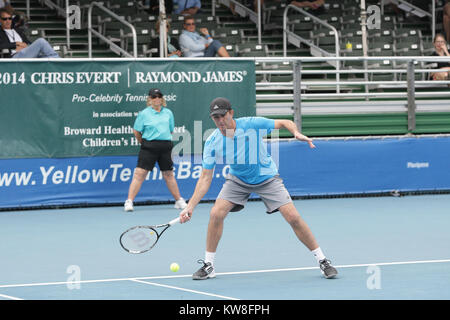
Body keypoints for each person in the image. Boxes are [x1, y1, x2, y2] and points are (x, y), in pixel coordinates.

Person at [179, 97, 338, 280]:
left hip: (266, 177)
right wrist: (190, 206)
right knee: (216, 213)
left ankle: (323, 261)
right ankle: (209, 265)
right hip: (237, 180)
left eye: (223, 115)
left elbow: (285, 122)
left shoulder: (251, 124)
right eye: (216, 118)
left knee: (293, 217)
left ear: (231, 113)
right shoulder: (212, 141)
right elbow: (205, 178)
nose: (220, 121)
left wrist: (296, 133)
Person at [124, 88, 187, 212]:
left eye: (159, 97)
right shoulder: (144, 114)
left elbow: (170, 130)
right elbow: (136, 131)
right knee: (139, 174)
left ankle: (179, 200)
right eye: (154, 97)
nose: (157, 99)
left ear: (162, 99)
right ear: (149, 99)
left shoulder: (168, 113)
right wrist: (145, 143)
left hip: (165, 147)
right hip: (148, 147)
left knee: (168, 174)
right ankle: (129, 201)